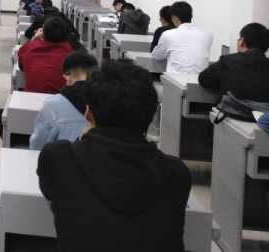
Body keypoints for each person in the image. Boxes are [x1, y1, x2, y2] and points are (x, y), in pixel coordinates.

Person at [37, 59, 192, 252]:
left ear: (88, 114)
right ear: (151, 115)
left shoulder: (59, 159)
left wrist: (84, 138)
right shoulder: (177, 175)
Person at [199, 23, 269, 105]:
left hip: (234, 113)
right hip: (267, 115)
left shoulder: (228, 61)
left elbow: (203, 79)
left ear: (242, 42)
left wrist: (224, 81)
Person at [28, 51, 97, 150]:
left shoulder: (52, 105)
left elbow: (37, 145)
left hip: (60, 158)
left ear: (66, 76)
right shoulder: (106, 102)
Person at [151, 1, 213, 75]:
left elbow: (156, 56)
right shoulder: (208, 35)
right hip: (200, 79)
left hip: (175, 80)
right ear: (191, 16)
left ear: (174, 18)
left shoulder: (168, 35)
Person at [19, 16, 74, 93]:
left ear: (43, 33)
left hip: (32, 97)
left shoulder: (30, 47)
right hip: (60, 97)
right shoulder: (70, 53)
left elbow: (21, 65)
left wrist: (34, 38)